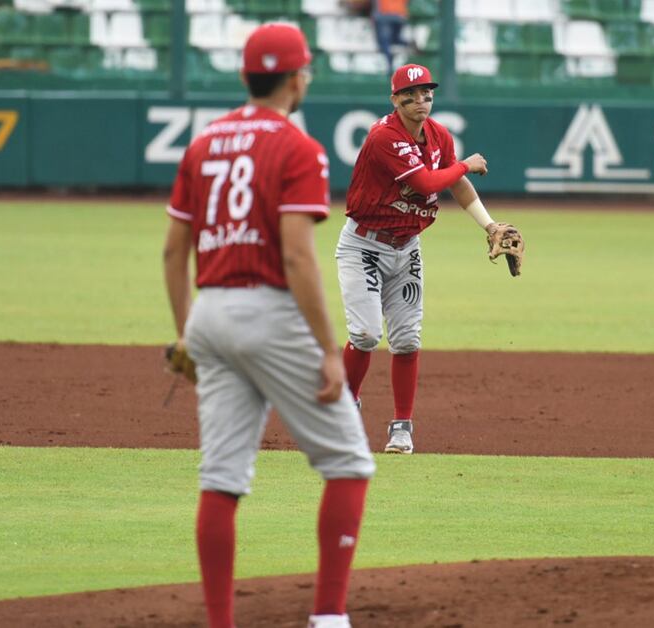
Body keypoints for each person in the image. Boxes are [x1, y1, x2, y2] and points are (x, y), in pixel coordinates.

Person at [163, 23, 375, 628]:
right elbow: (297, 256)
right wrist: (330, 350)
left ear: (244, 76)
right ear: (295, 77)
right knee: (349, 465)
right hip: (269, 312)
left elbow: (173, 251)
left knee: (222, 477)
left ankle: (220, 622)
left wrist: (185, 336)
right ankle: (329, 617)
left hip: (209, 313)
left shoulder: (203, 143)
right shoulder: (297, 147)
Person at [336, 63, 513, 455]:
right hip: (363, 246)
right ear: (395, 100)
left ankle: (402, 427)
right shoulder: (385, 137)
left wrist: (489, 225)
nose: (420, 100)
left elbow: (457, 184)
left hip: (406, 247)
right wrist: (465, 163)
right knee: (365, 335)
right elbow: (426, 182)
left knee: (407, 340)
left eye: (426, 93)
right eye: (410, 94)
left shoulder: (438, 135)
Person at [371, 0, 409, 74]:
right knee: (395, 39)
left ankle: (389, 65)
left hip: (384, 14)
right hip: (400, 15)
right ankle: (408, 44)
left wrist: (375, 15)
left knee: (384, 42)